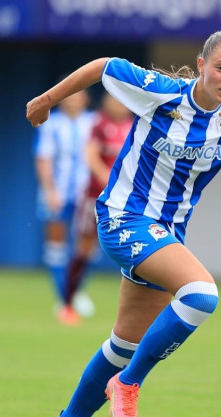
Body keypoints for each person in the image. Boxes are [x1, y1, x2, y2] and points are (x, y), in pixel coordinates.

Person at [26, 29, 221, 417]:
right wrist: (47, 100)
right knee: (202, 295)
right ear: (201, 66)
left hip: (166, 234)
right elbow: (103, 65)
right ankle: (129, 383)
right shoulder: (160, 92)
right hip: (124, 218)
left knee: (122, 345)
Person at [64, 93, 136, 319]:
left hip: (125, 200)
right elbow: (91, 156)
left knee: (134, 249)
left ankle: (137, 307)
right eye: (116, 100)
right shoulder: (99, 124)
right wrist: (108, 178)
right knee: (85, 246)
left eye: (124, 101)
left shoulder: (133, 125)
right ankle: (67, 301)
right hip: (95, 197)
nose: (120, 105)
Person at [33, 87, 95, 326]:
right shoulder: (51, 124)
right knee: (56, 247)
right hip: (56, 193)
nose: (74, 101)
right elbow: (43, 158)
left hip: (86, 194)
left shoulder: (93, 122)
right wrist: (49, 190)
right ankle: (63, 299)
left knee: (85, 246)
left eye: (78, 96)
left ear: (85, 98)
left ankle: (74, 291)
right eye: (69, 97)